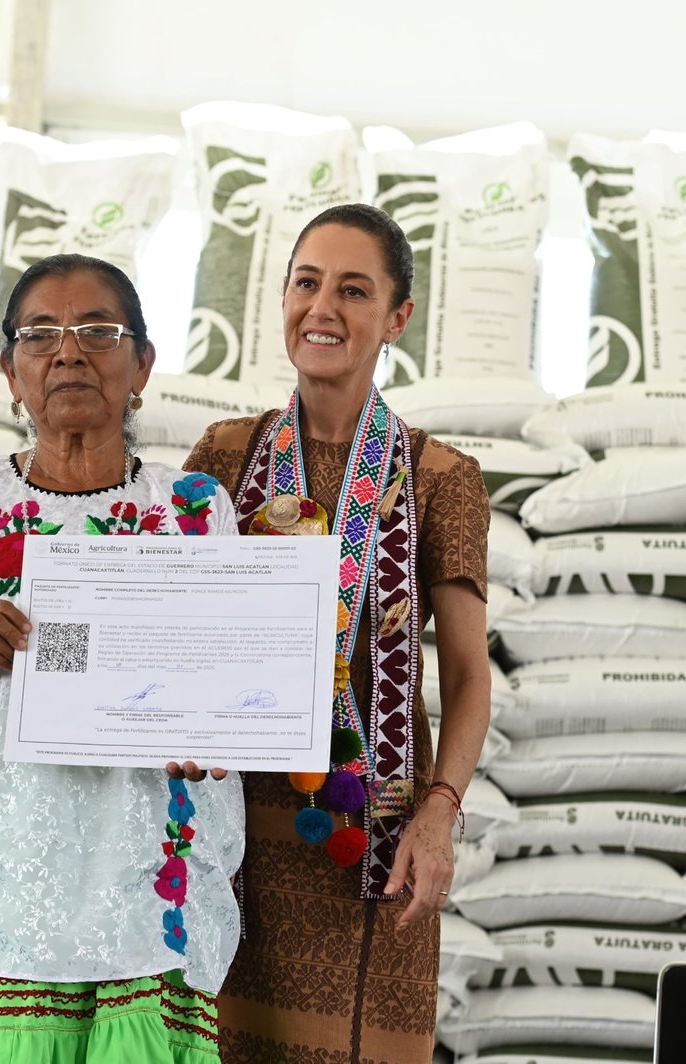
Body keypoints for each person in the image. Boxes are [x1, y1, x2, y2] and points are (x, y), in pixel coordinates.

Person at [0, 253, 245, 1063]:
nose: (68, 353)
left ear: (142, 364)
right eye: (40, 335)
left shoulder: (190, 509)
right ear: (10, 371)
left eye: (99, 333)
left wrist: (210, 732)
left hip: (138, 876)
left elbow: (221, 698)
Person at [185, 203, 493, 1063]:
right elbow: (176, 628)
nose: (322, 308)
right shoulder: (224, 457)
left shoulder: (441, 478)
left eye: (353, 291)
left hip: (373, 840)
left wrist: (440, 814)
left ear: (397, 318)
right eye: (306, 283)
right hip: (231, 838)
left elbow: (469, 676)